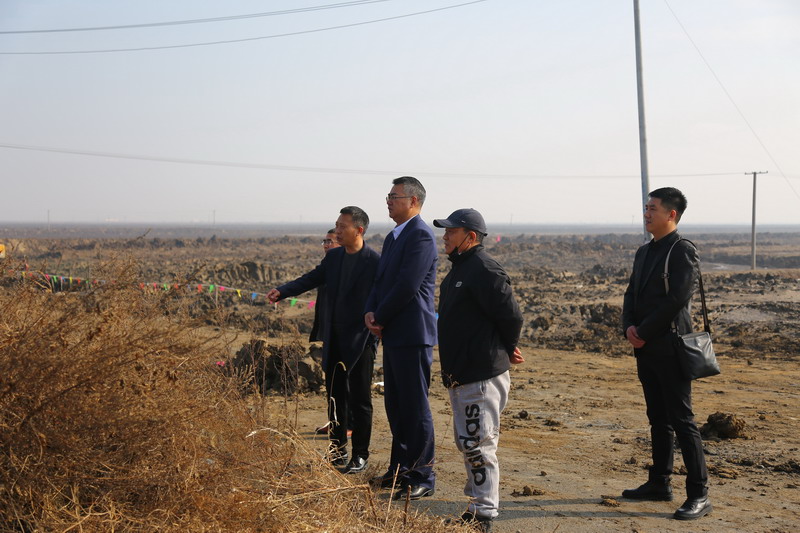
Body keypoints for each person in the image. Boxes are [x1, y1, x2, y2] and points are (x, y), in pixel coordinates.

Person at [621, 187, 712, 520]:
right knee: (657, 419)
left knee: (682, 420)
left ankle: (699, 494)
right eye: (646, 208)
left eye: (653, 209)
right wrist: (628, 327)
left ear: (671, 214)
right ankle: (659, 482)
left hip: (671, 348)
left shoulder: (682, 250)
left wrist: (643, 332)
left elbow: (677, 300)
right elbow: (632, 293)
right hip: (645, 349)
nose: (647, 214)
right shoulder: (644, 251)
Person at [268, 207, 379, 474]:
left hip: (361, 341)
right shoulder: (334, 258)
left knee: (360, 400)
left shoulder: (375, 261)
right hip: (334, 338)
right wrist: (282, 291)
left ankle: (360, 455)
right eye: (336, 225)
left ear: (359, 230)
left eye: (342, 227)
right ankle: (337, 451)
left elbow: (383, 297)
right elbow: (311, 278)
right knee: (334, 397)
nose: (337, 231)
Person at [433, 208, 524, 533]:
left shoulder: (484, 269)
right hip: (464, 373)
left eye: (451, 231)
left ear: (470, 237)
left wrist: (507, 347)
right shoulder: (461, 269)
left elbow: (511, 316)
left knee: (478, 443)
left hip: (481, 374)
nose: (445, 237)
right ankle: (476, 505)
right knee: (469, 441)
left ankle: (483, 514)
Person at [365, 176, 437, 500]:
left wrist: (380, 316)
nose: (388, 201)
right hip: (393, 331)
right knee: (396, 405)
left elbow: (408, 285)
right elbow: (381, 282)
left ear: (413, 201)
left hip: (412, 332)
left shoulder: (420, 235)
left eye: (394, 196)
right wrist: (370, 311)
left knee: (415, 406)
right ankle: (400, 470)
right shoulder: (394, 236)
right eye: (388, 196)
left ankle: (422, 474)